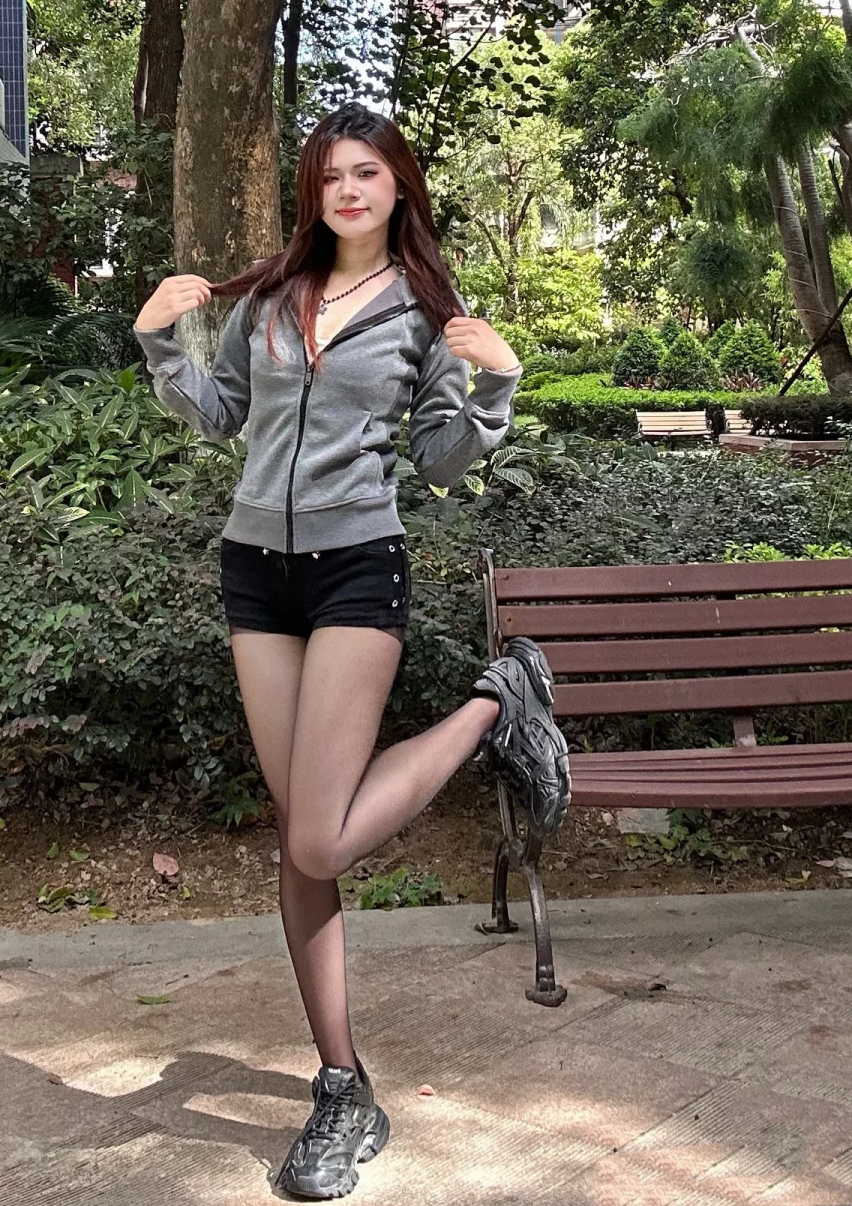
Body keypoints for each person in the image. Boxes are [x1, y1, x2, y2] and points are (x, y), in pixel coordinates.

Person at [133, 102, 555, 1200]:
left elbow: (442, 459)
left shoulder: (425, 311)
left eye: (367, 172)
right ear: (312, 193)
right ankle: (340, 1085)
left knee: (318, 841)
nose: (349, 191)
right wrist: (159, 343)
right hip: (254, 570)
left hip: (358, 565)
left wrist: (498, 384)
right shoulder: (272, 298)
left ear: (399, 185)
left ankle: (495, 706)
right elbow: (222, 415)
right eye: (331, 176)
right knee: (299, 839)